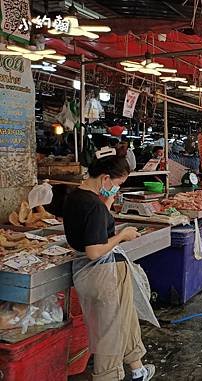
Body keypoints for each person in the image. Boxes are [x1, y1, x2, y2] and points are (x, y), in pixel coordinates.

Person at [62, 152, 155, 381]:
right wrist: (122, 235)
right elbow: (94, 251)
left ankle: (138, 369)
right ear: (105, 178)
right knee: (110, 331)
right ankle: (108, 377)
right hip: (101, 273)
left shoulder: (76, 196)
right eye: (116, 184)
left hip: (90, 272)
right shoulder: (93, 206)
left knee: (126, 318)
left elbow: (93, 223)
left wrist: (108, 201)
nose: (116, 189)